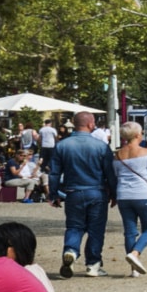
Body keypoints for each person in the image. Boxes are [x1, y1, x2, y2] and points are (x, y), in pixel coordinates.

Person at [45, 111, 118, 277]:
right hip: (97, 192)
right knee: (96, 229)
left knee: (74, 226)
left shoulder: (62, 145)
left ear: (73, 123)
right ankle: (93, 264)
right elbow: (110, 173)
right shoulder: (101, 146)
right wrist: (114, 193)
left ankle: (70, 250)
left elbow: (54, 173)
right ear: (91, 124)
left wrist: (53, 193)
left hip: (73, 192)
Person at [113, 123, 147, 276]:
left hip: (123, 195)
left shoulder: (117, 155)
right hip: (143, 194)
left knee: (130, 231)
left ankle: (134, 269)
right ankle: (135, 254)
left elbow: (115, 175)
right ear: (136, 135)